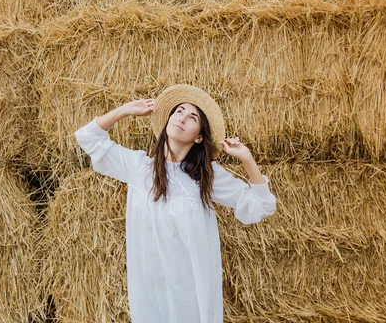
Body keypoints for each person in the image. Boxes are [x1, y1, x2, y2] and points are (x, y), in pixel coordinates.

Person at [75, 84, 277, 323]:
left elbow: (259, 204)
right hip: (150, 289)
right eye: (178, 111)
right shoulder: (138, 167)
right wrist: (126, 110)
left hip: (191, 291)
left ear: (199, 135)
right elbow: (88, 137)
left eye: (192, 117)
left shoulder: (205, 176)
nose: (182, 118)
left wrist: (247, 158)